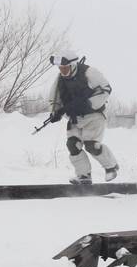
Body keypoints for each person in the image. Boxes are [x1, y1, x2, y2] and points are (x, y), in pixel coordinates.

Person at [48, 51, 119, 184]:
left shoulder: (89, 72)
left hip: (94, 116)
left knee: (91, 146)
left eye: (65, 68)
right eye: (60, 68)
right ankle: (84, 176)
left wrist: (88, 104)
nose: (63, 71)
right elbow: (54, 98)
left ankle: (111, 167)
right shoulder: (60, 79)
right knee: (72, 145)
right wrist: (55, 112)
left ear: (72, 65)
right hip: (74, 118)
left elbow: (106, 89)